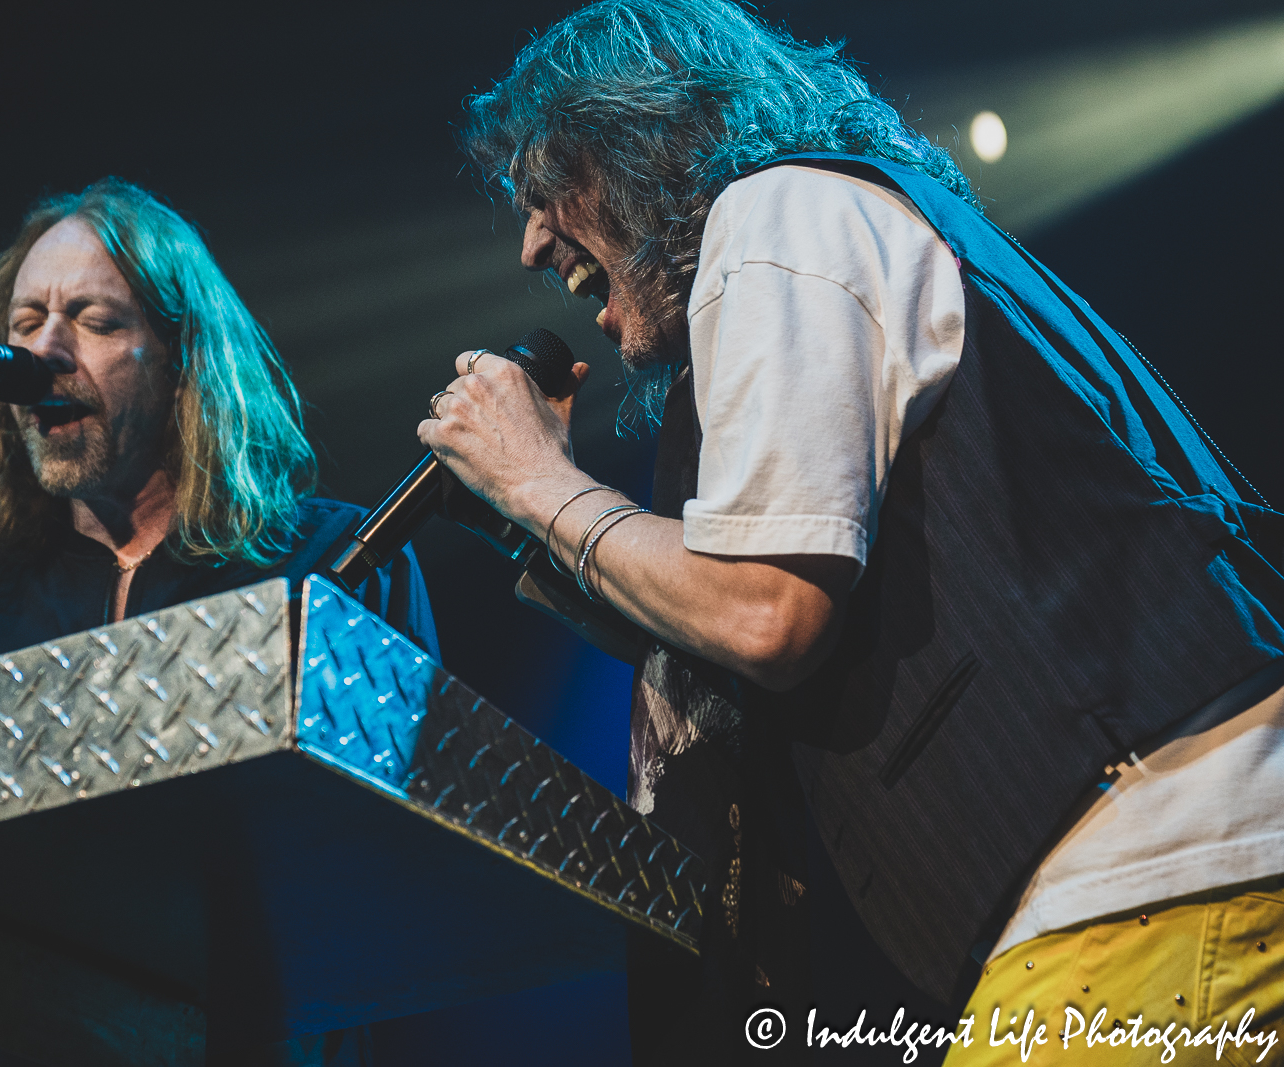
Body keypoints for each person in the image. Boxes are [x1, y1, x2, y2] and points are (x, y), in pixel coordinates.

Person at [420, 1, 1284, 1062]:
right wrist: (532, 514)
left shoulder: (776, 217)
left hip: (1144, 875)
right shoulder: (842, 220)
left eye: (547, 189)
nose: (530, 241)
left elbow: (762, 609)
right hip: (1163, 875)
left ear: (635, 139)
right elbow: (732, 605)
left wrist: (540, 481)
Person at [0, 177, 435, 1067]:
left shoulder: (335, 563)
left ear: (182, 359)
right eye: (23, 325)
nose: (45, 351)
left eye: (94, 321)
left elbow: (404, 875)